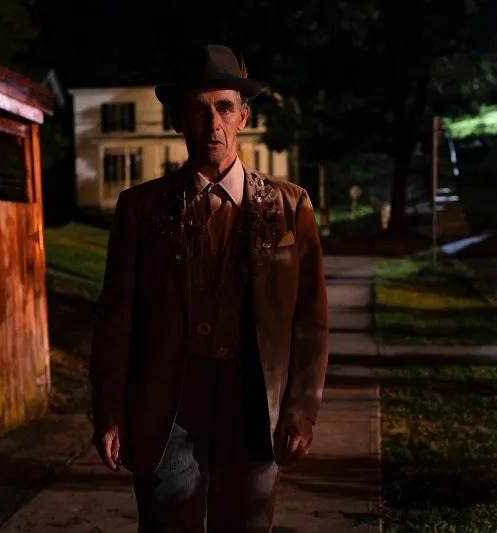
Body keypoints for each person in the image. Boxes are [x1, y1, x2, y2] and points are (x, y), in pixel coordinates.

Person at [89, 43, 329, 533]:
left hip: (252, 403)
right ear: (178, 120)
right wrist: (110, 410)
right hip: (168, 403)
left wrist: (302, 409)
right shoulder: (141, 208)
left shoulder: (289, 206)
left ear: (243, 117)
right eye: (198, 110)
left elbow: (310, 319)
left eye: (223, 108)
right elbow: (116, 318)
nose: (213, 124)